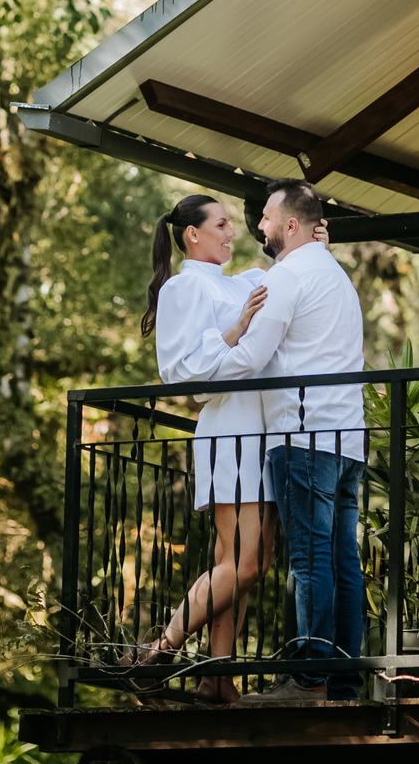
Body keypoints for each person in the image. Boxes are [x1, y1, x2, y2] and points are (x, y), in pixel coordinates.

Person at [203, 179, 366, 704]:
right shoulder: (338, 277)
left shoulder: (289, 276)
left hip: (303, 435)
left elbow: (252, 356)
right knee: (342, 561)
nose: (260, 227)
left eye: (268, 219)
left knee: (310, 560)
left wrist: (204, 376)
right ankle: (342, 683)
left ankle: (309, 679)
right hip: (347, 439)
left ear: (291, 225)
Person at [136, 194, 275, 703]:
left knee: (239, 565)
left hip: (260, 433)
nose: (231, 233)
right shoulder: (184, 287)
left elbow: (287, 280)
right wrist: (236, 330)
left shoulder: (237, 283)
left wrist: (313, 247)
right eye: (221, 224)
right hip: (229, 431)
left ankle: (218, 678)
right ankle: (159, 649)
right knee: (246, 563)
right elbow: (181, 374)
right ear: (192, 234)